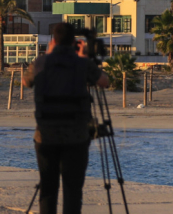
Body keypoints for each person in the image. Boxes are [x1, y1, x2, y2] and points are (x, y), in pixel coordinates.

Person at [23, 22, 109, 214]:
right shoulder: (82, 63)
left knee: (48, 189)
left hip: (45, 135)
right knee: (72, 190)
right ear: (74, 42)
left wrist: (49, 54)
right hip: (76, 136)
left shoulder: (40, 63)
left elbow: (26, 81)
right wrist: (84, 58)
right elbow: (104, 81)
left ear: (53, 40)